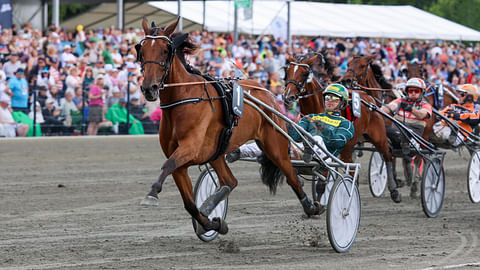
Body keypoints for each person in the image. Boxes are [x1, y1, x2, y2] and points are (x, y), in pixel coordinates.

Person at [227, 83, 354, 163]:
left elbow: (338, 142)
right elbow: (294, 136)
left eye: (335, 99)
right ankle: (238, 151)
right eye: (327, 98)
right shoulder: (311, 117)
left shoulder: (346, 124)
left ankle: (310, 146)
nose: (330, 101)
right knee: (271, 140)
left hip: (325, 155)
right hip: (301, 150)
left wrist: (325, 130)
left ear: (342, 103)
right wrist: (287, 124)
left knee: (316, 138)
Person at [381, 77, 433, 198]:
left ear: (422, 92)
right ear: (407, 91)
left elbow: (421, 115)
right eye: (410, 91)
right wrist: (378, 110)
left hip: (414, 136)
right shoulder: (400, 101)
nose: (413, 93)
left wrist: (411, 109)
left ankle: (404, 145)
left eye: (416, 91)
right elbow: (389, 107)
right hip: (397, 133)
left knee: (402, 132)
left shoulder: (426, 105)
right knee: (384, 128)